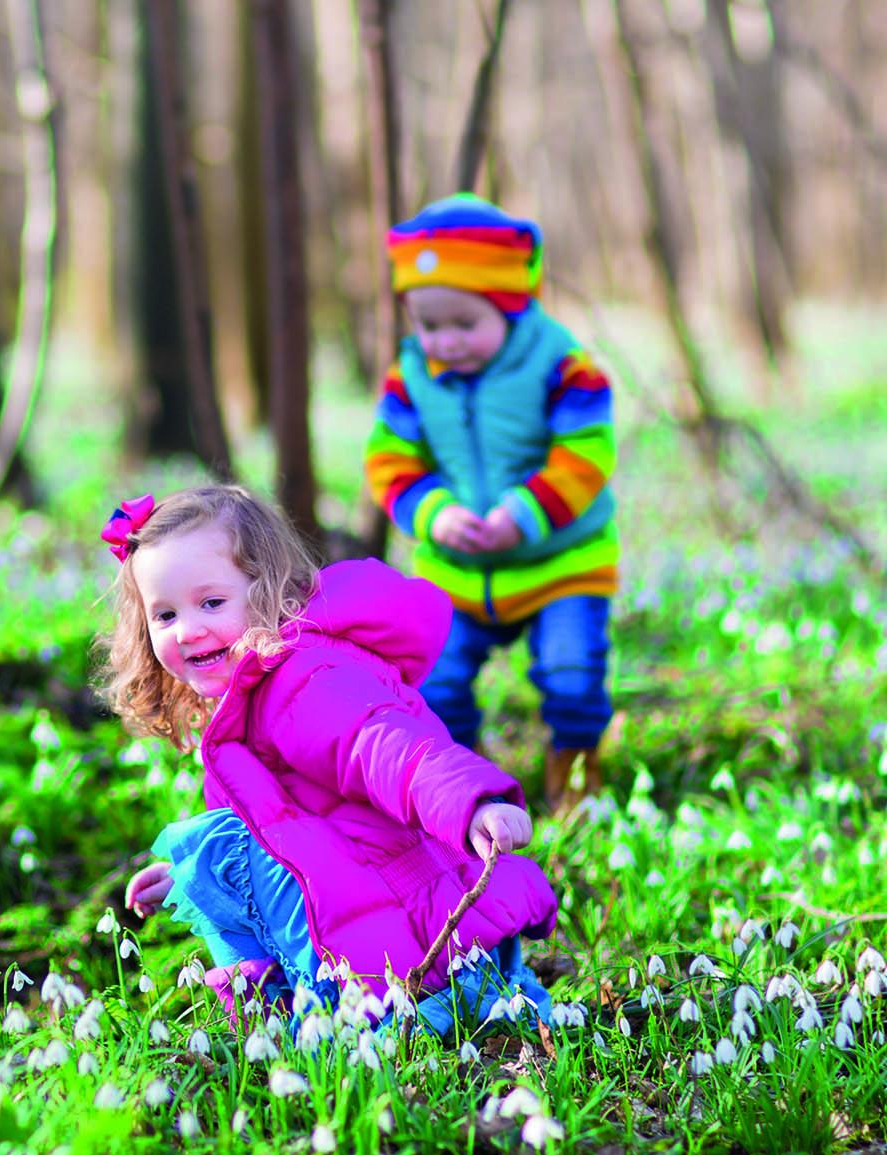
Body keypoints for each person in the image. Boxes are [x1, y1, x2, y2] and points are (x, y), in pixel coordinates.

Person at [101, 485, 556, 1038]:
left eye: (212, 603)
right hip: (392, 930)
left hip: (413, 952)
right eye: (165, 614)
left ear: (268, 591)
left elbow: (383, 745)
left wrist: (469, 801)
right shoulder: (252, 698)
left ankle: (305, 1017)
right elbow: (285, 824)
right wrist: (189, 880)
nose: (187, 629)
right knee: (210, 852)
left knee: (215, 846)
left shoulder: (304, 682)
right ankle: (280, 1017)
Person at [363, 192, 618, 813]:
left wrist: (523, 516)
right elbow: (389, 459)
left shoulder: (560, 364)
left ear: (510, 305)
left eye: (464, 323)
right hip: (456, 568)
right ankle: (464, 786)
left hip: (561, 561)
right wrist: (434, 513)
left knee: (571, 670)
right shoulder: (411, 375)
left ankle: (575, 774)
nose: (446, 341)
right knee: (437, 678)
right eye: (429, 325)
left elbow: (586, 450)